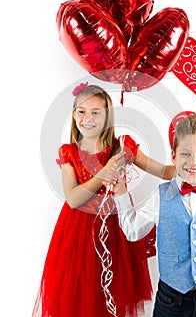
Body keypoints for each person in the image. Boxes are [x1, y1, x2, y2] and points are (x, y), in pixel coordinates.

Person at [32, 82, 180, 317]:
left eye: (95, 112)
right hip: (78, 233)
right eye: (81, 111)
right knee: (82, 296)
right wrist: (104, 173)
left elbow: (164, 171)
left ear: (107, 116)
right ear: (73, 115)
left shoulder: (122, 147)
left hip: (116, 228)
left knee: (113, 292)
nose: (87, 118)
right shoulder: (69, 152)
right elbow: (73, 198)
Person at [112, 113, 196, 317]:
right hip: (172, 301)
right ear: (174, 157)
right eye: (185, 153)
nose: (193, 162)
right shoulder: (160, 197)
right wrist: (121, 194)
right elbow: (133, 232)